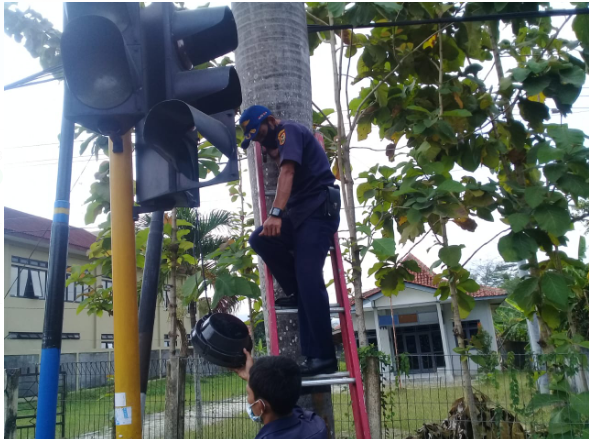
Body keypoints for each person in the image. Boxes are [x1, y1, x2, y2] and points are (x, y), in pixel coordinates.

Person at [240, 105, 340, 376]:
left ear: (271, 121)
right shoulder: (277, 143)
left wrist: (274, 214)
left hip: (318, 211)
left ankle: (323, 358)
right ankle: (295, 291)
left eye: (260, 134)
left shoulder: (289, 131)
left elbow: (288, 173)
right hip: (299, 215)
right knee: (259, 239)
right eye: (256, 140)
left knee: (310, 279)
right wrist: (270, 150)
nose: (260, 141)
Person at [233, 349, 328, 439]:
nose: (248, 399)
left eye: (248, 394)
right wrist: (253, 377)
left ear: (260, 406)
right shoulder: (317, 426)